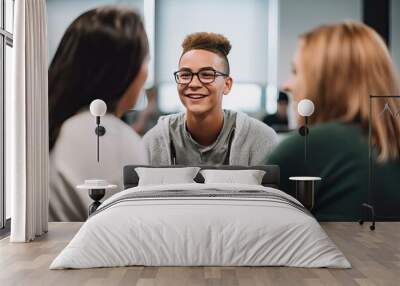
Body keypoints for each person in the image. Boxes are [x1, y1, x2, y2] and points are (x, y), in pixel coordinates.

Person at [267, 21, 400, 220]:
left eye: (296, 72)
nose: (287, 85)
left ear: (326, 80)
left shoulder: (307, 148)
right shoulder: (387, 148)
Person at [49, 6, 149, 221]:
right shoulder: (108, 135)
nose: (146, 71)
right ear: (122, 70)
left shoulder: (59, 125)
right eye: (145, 59)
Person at [143, 32, 277, 165]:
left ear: (227, 85)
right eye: (185, 75)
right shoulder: (154, 140)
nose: (194, 84)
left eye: (207, 74)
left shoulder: (260, 138)